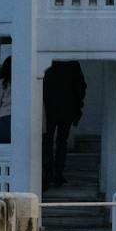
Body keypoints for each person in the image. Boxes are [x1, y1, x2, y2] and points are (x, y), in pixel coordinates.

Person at [42, 61, 87, 189]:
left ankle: (48, 172)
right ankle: (58, 173)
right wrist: (77, 104)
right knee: (61, 142)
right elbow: (81, 86)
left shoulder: (48, 64)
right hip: (67, 109)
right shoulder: (72, 64)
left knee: (47, 142)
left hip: (49, 110)